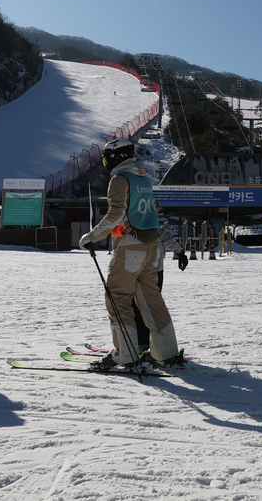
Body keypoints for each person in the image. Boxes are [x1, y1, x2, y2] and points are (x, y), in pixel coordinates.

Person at [79, 138, 182, 370]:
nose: (106, 162)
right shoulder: (142, 178)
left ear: (117, 157)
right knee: (150, 299)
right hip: (152, 248)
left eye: (106, 158)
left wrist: (92, 236)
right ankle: (165, 353)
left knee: (117, 297)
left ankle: (124, 354)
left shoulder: (119, 179)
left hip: (130, 249)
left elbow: (115, 214)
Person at [133, 216, 188, 352]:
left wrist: (180, 253)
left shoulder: (142, 224)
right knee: (145, 306)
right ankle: (145, 341)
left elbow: (166, 236)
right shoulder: (143, 223)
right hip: (148, 271)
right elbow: (166, 236)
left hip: (149, 272)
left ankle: (145, 342)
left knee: (143, 306)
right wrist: (180, 253)